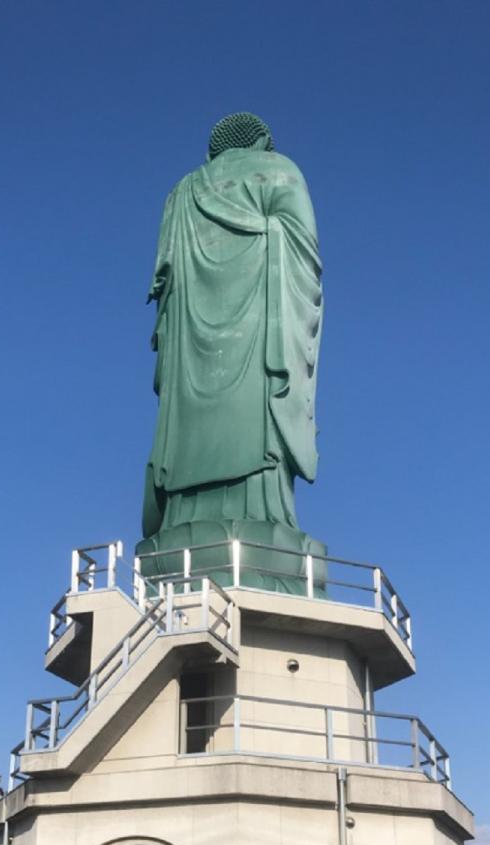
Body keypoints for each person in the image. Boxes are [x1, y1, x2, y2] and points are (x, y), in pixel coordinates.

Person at [141, 112, 323, 566]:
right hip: (261, 333)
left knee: (188, 426)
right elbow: (304, 252)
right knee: (261, 420)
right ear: (263, 141)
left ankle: (181, 515)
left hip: (190, 350)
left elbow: (163, 288)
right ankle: (263, 516)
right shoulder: (280, 170)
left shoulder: (181, 193)